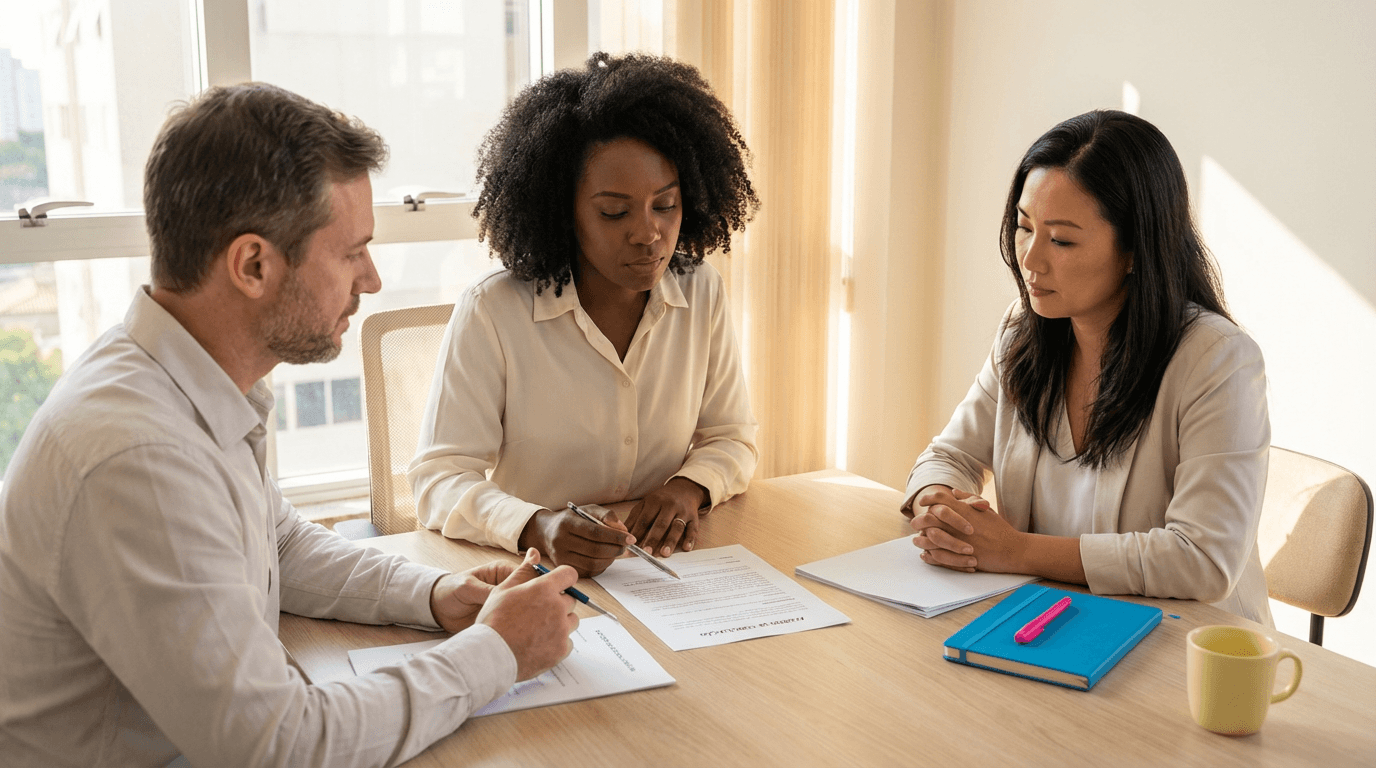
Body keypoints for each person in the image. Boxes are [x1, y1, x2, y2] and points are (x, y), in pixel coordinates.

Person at [0, 83, 583, 767]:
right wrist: (495, 653)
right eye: (351, 252)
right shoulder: (140, 456)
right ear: (253, 265)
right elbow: (279, 746)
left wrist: (435, 594)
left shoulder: (185, 381)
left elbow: (277, 545)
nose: (371, 281)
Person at [904, 110, 1272, 625]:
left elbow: (1203, 559)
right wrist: (938, 504)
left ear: (1135, 251)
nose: (1030, 260)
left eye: (1061, 240)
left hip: (1183, 650)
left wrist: (1015, 552)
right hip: (1049, 621)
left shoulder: (1217, 361)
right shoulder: (1023, 331)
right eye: (1024, 228)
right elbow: (950, 453)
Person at [410, 53, 760, 576]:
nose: (648, 233)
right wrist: (536, 525)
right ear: (562, 211)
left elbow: (732, 437)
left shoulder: (701, 290)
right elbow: (439, 478)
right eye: (614, 212)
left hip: (665, 571)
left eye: (665, 205)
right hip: (534, 576)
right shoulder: (494, 311)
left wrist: (688, 488)